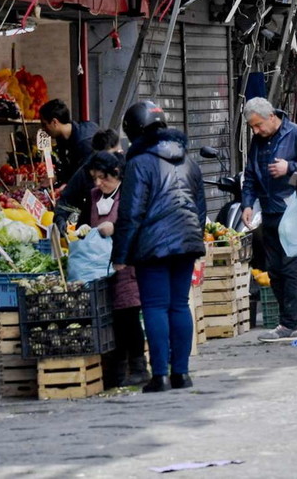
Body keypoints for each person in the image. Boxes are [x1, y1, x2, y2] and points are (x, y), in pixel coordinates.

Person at [111, 101, 206, 393]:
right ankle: (182, 373)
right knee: (179, 305)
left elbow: (131, 213)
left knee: (155, 306)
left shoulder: (139, 163)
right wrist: (194, 237)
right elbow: (200, 208)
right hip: (188, 242)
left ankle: (160, 375)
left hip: (152, 246)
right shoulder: (188, 160)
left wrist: (121, 255)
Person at [240, 97, 297, 343]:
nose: (256, 131)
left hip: (292, 212)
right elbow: (250, 176)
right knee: (275, 270)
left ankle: (289, 324)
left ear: (271, 116)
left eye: (258, 125)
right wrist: (247, 204)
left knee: (290, 269)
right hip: (268, 213)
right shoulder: (257, 142)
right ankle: (285, 322)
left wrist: (289, 167)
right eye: (252, 128)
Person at [87, 152, 148, 387]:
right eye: (95, 178)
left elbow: (138, 221)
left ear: (116, 174)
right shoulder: (93, 196)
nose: (98, 183)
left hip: (126, 263)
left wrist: (116, 227)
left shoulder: (129, 192)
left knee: (128, 315)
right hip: (99, 265)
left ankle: (138, 367)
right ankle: (116, 371)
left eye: (103, 178)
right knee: (110, 317)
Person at [57, 129, 121, 229]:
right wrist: (60, 218)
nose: (98, 183)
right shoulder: (86, 172)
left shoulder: (130, 176)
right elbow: (67, 199)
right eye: (95, 178)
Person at [39, 99, 100, 186]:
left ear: (54, 122)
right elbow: (69, 169)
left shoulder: (84, 142)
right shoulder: (61, 138)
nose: (43, 129)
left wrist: (68, 188)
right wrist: (56, 176)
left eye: (44, 125)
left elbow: (85, 176)